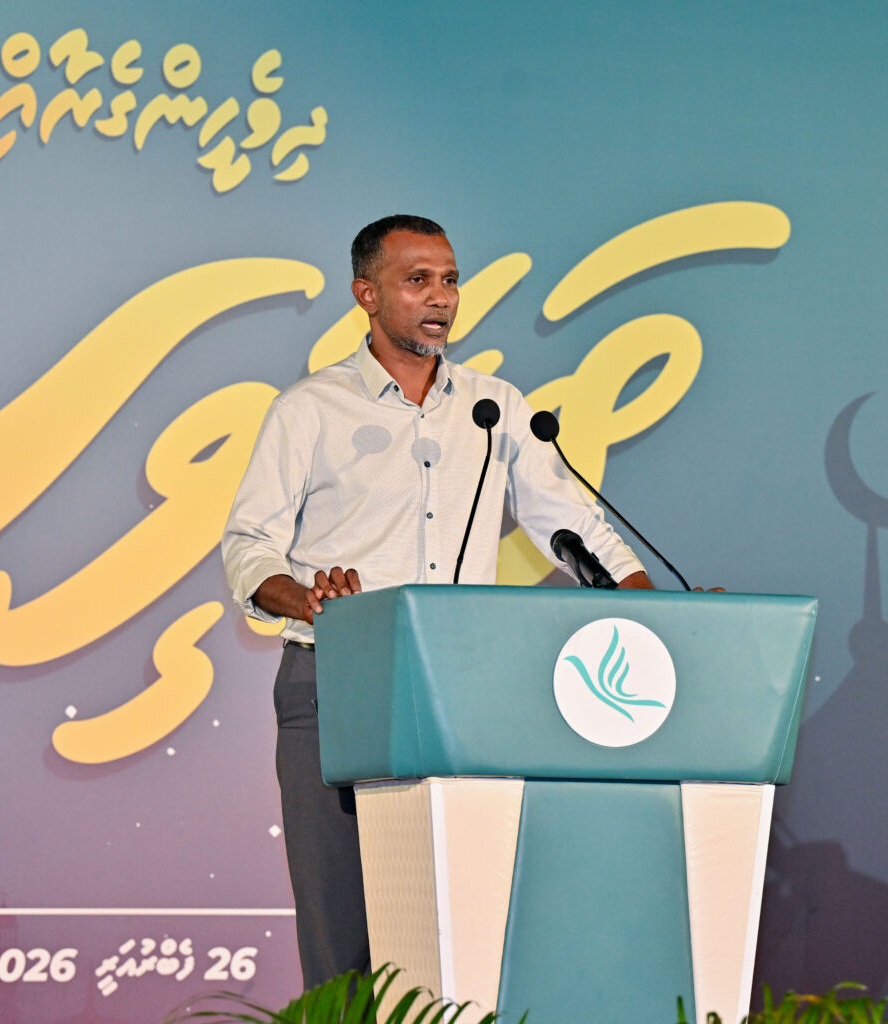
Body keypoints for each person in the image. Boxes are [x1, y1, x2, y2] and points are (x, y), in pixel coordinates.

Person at [221, 214, 652, 989]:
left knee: (458, 931)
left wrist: (653, 612)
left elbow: (577, 529)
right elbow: (249, 546)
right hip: (336, 681)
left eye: (450, 279)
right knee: (345, 941)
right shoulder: (311, 409)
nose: (442, 297)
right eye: (417, 280)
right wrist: (307, 598)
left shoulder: (495, 408)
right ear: (366, 295)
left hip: (460, 689)